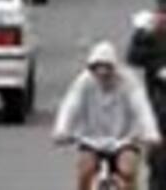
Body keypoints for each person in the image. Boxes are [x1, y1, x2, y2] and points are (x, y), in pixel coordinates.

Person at [54, 40, 161, 190]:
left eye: (107, 68)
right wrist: (62, 130)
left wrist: (151, 133)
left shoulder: (128, 82)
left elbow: (141, 108)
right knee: (85, 170)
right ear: (92, 68)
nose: (103, 73)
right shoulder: (84, 82)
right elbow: (70, 105)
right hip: (92, 139)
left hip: (124, 139)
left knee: (128, 170)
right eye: (98, 68)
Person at [128, 0, 166, 189]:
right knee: (159, 164)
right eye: (161, 14)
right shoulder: (151, 38)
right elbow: (133, 57)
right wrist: (140, 33)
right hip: (158, 110)